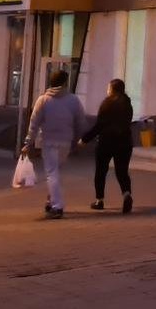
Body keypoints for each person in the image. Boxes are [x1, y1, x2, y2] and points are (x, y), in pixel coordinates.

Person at [22, 69, 87, 219]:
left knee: (52, 173)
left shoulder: (43, 100)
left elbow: (34, 123)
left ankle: (57, 206)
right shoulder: (73, 100)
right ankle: (51, 200)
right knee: (56, 172)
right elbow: (80, 122)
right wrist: (78, 140)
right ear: (65, 83)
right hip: (66, 142)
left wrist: (28, 142)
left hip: (49, 141)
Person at [80, 79, 135, 214]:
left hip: (106, 142)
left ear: (112, 89)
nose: (107, 90)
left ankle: (100, 200)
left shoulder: (107, 103)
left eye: (108, 88)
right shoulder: (128, 104)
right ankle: (127, 194)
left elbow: (99, 125)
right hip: (124, 142)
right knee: (122, 171)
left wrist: (85, 139)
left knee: (101, 171)